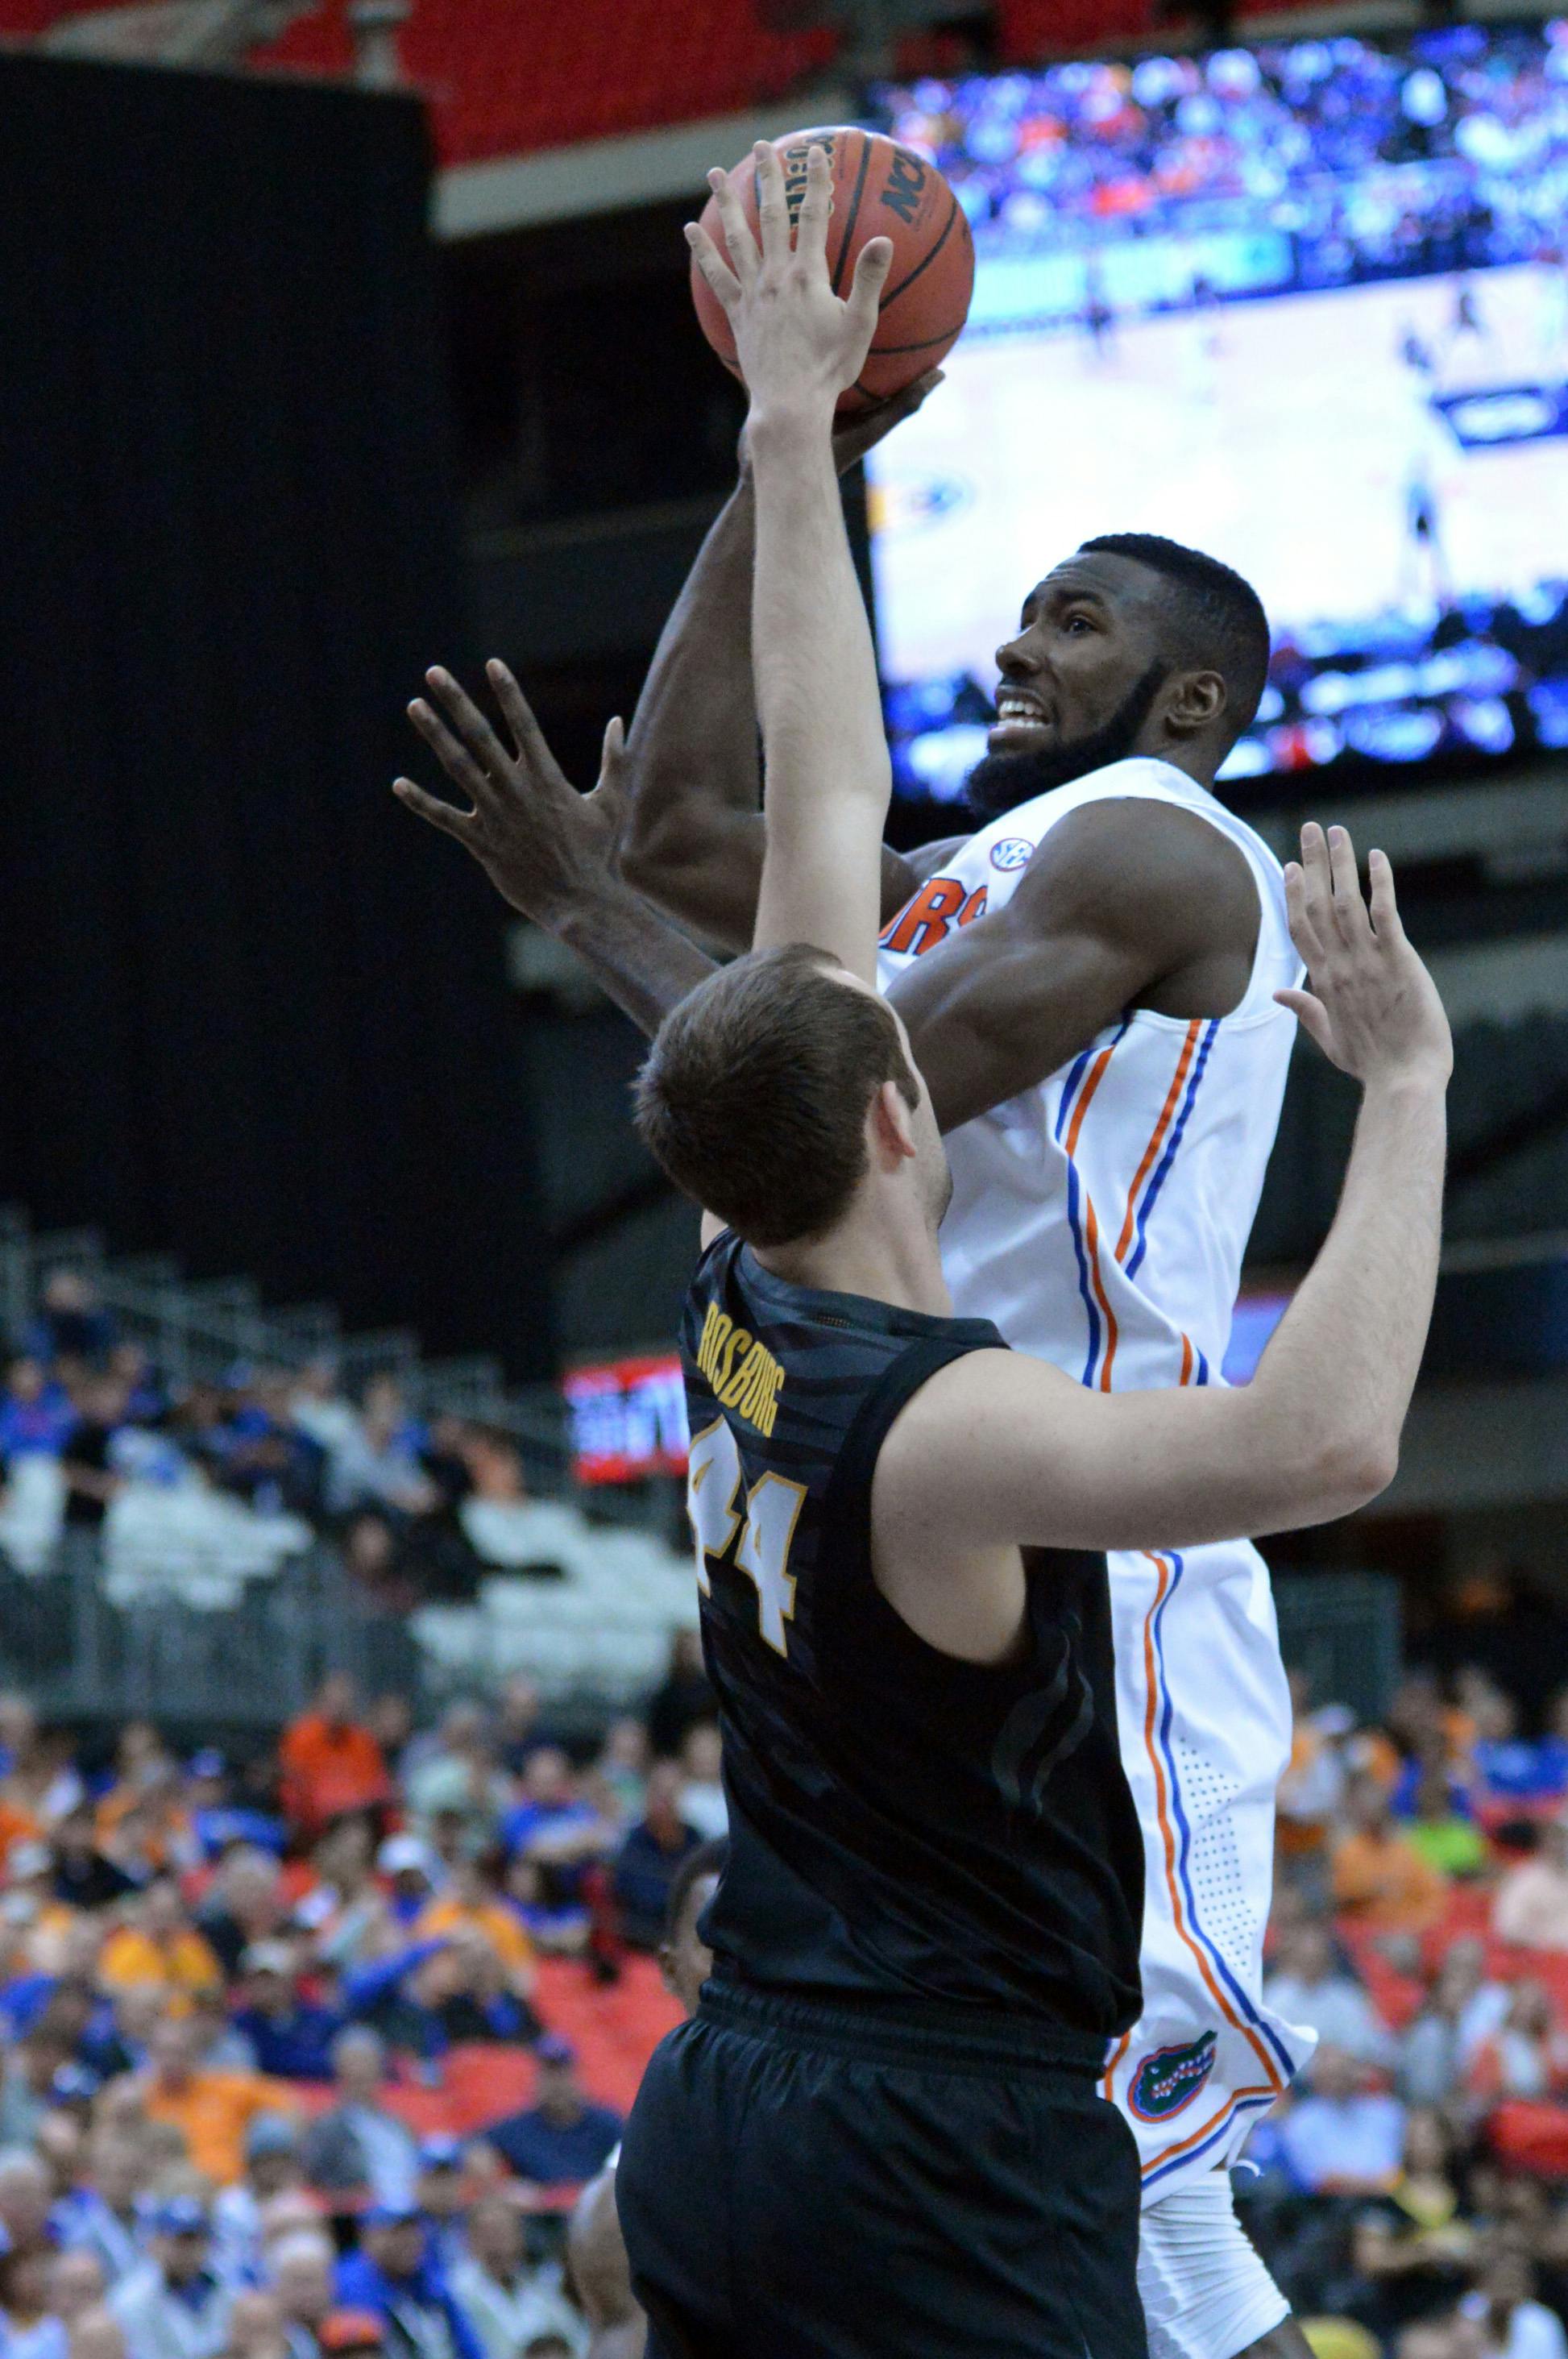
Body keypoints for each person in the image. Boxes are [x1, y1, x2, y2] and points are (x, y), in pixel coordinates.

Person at [399, 136, 1450, 2359]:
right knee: (1017, 2238)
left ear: (1189, 701)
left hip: (1109, 1575)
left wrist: (594, 904)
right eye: (1023, 597)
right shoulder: (968, 880)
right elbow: (710, 829)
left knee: (1114, 2228)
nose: (1015, 632)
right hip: (946, 1526)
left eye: (1077, 613)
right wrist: (822, 435)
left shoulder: (1157, 845)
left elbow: (821, 1032)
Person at [568, 1839, 724, 2359]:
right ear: (669, 1967)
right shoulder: (621, 2215)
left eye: (763, 1941)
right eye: (714, 1940)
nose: (740, 1965)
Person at [332, 2207, 483, 2359]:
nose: (408, 2240)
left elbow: (467, 2343)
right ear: (369, 2238)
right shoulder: (350, 2283)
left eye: (413, 2230)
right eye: (396, 2232)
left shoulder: (426, 2274)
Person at [298, 2029, 418, 2211]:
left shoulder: (398, 2125)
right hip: (364, 2217)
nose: (359, 2070)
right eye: (353, 2064)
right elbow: (312, 2183)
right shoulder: (326, 2128)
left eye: (366, 2063)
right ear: (339, 2072)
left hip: (412, 2210)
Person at [482, 2037, 621, 2191]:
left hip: (593, 2209)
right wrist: (505, 2187)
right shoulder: (518, 2129)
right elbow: (474, 2147)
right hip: (540, 2211)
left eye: (563, 2075)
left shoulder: (606, 2124)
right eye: (549, 2075)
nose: (557, 2085)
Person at [110, 2196, 234, 2359]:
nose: (188, 2252)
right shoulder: (132, 2299)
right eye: (180, 2243)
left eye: (195, 2241)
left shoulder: (222, 2289)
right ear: (157, 2243)